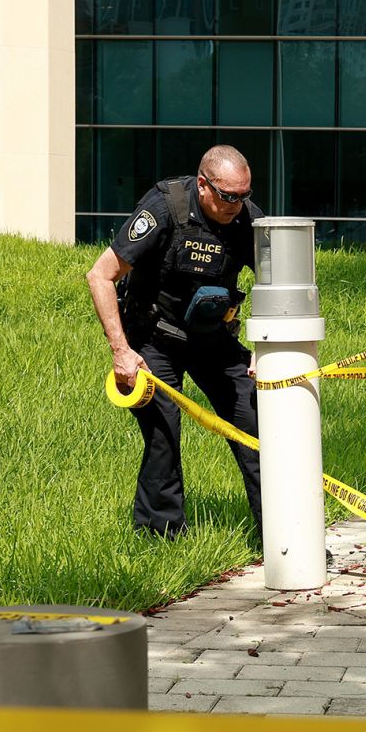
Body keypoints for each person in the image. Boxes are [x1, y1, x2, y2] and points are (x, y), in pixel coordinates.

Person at [85, 145, 264, 537]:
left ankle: (282, 533)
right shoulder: (165, 208)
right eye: (229, 196)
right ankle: (161, 538)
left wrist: (267, 351)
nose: (238, 204)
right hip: (153, 340)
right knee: (163, 433)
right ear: (203, 185)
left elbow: (277, 282)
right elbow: (100, 275)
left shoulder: (249, 219)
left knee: (256, 424)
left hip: (213, 338)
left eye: (245, 195)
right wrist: (122, 352)